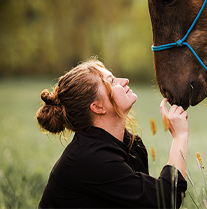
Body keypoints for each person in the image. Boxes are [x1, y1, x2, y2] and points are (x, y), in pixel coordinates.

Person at [36, 58, 189, 208]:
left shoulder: (131, 145)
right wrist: (179, 136)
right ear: (97, 107)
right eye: (113, 82)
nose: (125, 81)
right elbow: (166, 199)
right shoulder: (92, 158)